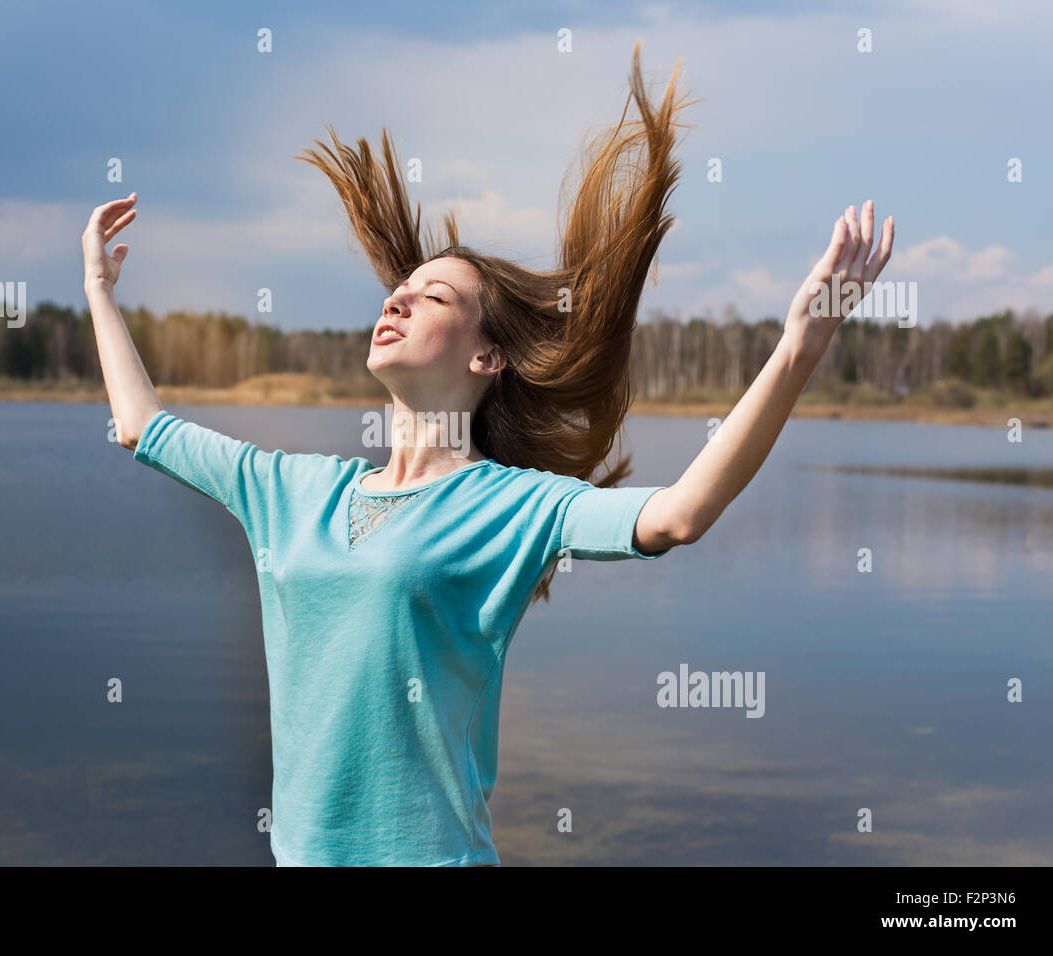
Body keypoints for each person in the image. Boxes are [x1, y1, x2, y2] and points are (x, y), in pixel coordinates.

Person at [80, 43, 893, 866]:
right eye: (399, 289)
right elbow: (143, 427)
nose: (397, 297)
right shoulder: (292, 490)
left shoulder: (511, 504)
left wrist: (801, 343)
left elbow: (679, 515)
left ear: (487, 357)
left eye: (434, 296)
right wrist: (99, 293)